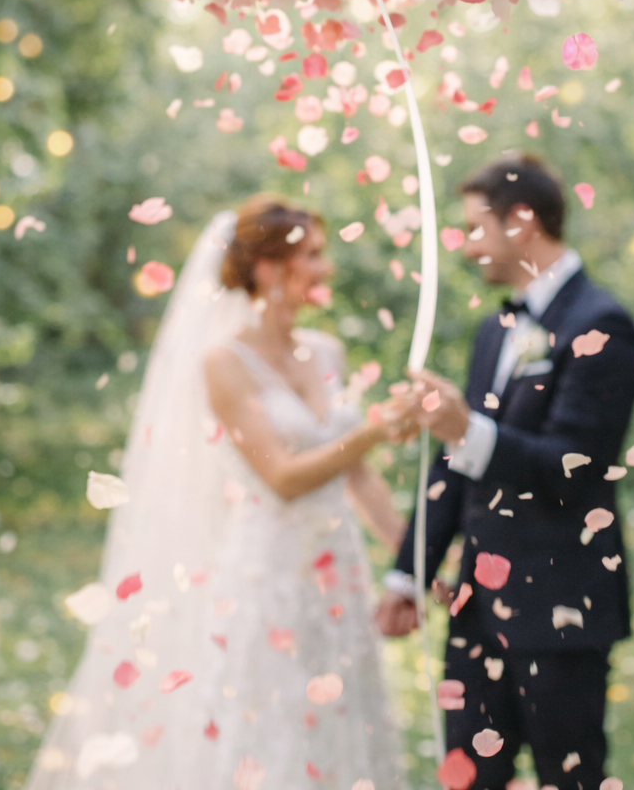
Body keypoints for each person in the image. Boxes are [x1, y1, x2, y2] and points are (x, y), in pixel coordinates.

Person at [27, 196, 418, 790]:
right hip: (267, 574)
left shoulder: (328, 352)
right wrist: (371, 429)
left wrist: (415, 557)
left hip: (336, 573)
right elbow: (283, 477)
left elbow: (357, 475)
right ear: (267, 268)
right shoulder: (224, 363)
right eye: (312, 255)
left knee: (338, 725)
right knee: (269, 726)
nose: (326, 268)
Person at [376, 154, 634, 790]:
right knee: (466, 779)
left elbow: (571, 470)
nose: (468, 246)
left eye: (476, 228)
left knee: (569, 779)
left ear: (521, 221)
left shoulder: (603, 326)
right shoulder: (495, 331)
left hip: (560, 609)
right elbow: (457, 463)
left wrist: (467, 428)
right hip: (477, 610)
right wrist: (408, 573)